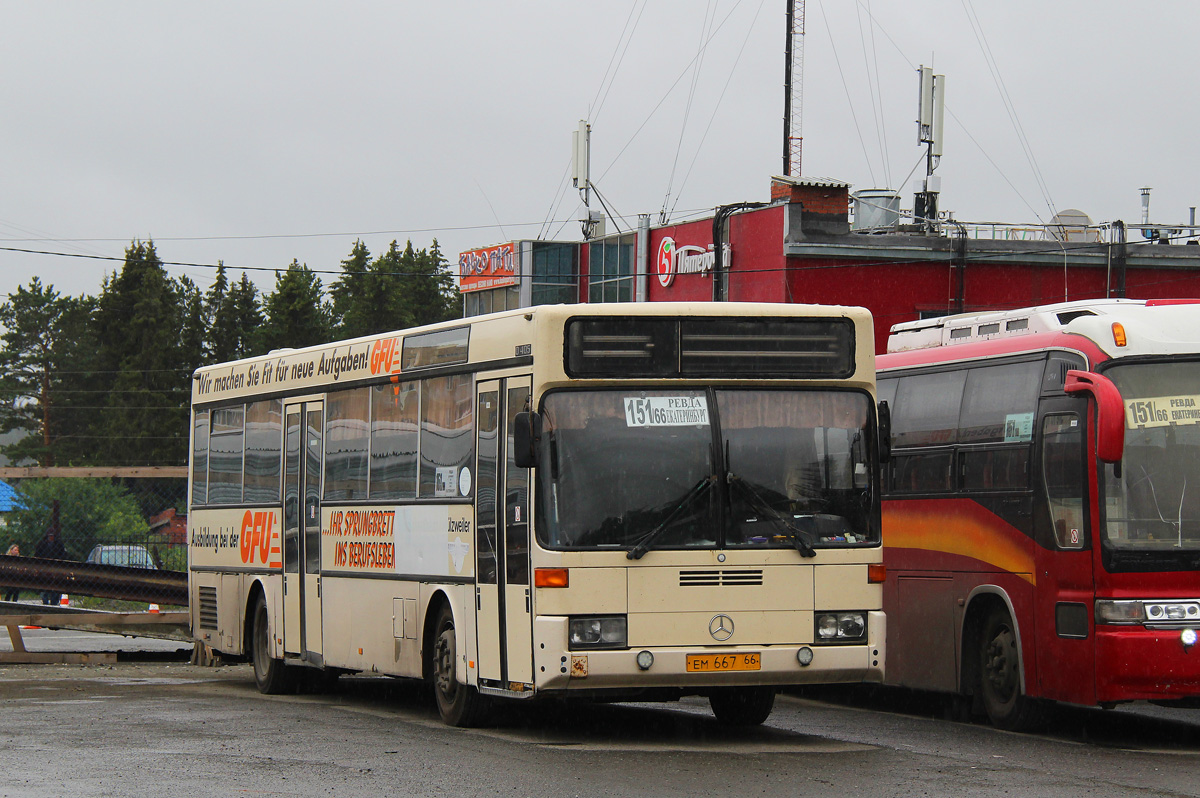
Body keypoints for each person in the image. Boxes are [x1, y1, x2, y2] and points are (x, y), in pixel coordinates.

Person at [34, 501, 67, 605]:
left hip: (56, 569)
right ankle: (45, 600)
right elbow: (37, 555)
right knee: (44, 588)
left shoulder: (59, 544)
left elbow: (63, 555)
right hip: (44, 568)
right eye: (49, 536)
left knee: (56, 588)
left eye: (52, 536)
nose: (51, 538)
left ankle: (54, 601)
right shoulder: (42, 544)